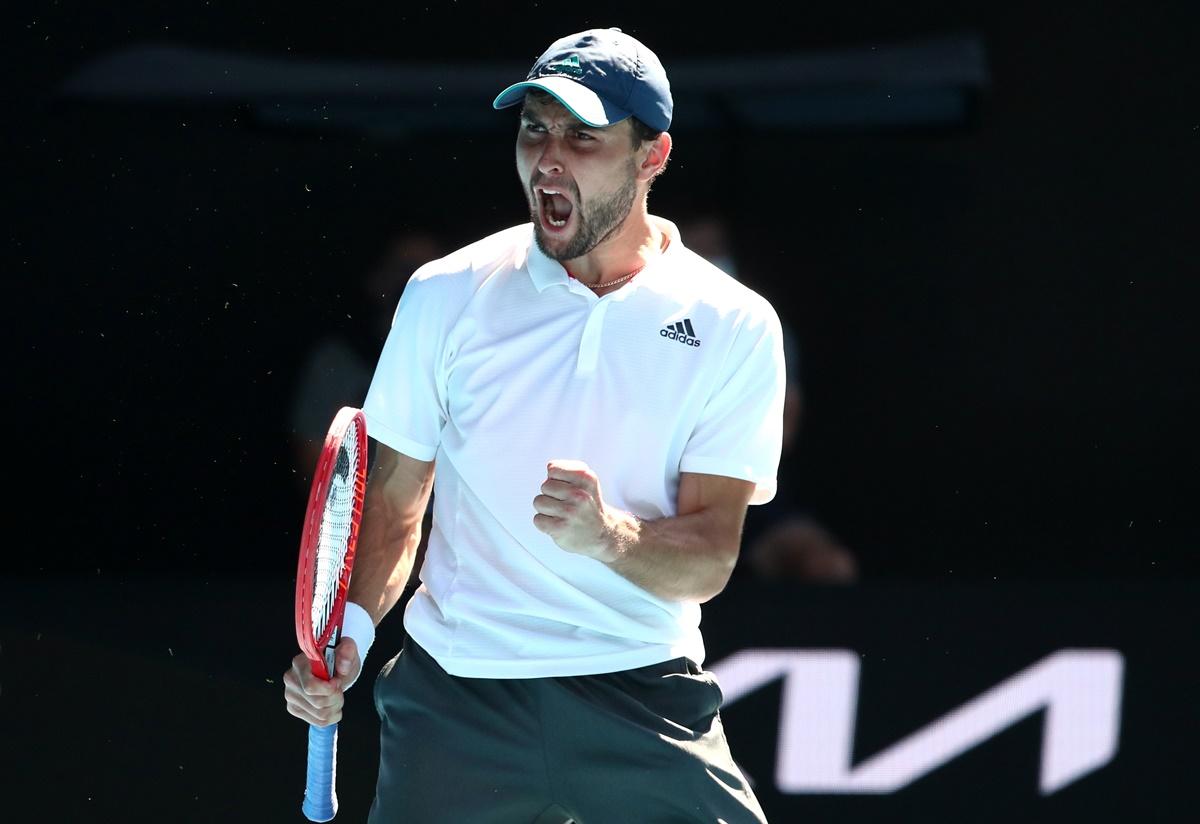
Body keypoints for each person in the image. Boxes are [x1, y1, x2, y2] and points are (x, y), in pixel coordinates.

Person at [283, 28, 785, 823]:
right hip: (455, 701)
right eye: (534, 130)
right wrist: (348, 628)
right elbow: (395, 499)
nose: (549, 159)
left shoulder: (735, 325)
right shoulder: (445, 293)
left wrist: (610, 538)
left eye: (582, 137)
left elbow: (711, 557)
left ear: (651, 157)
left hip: (642, 694)